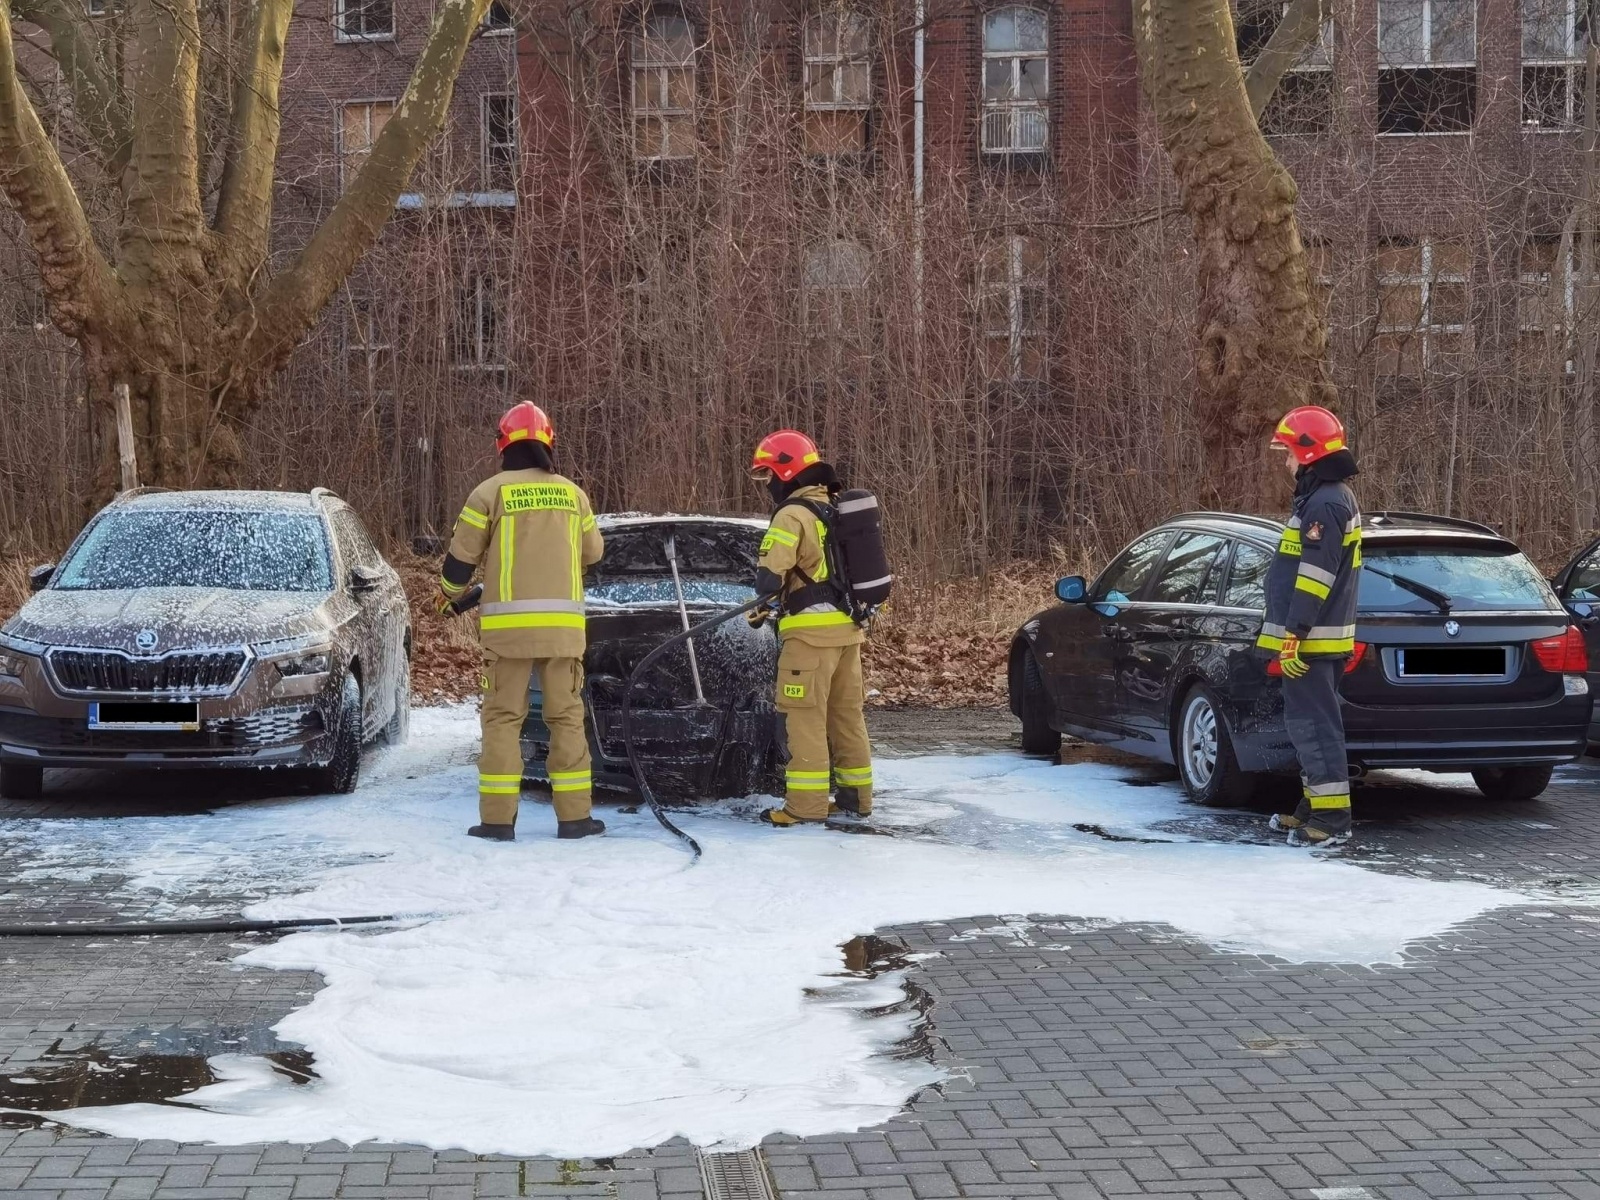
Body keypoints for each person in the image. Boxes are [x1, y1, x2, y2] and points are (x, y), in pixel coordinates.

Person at [436, 402, 605, 842]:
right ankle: (575, 820)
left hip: (507, 634)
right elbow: (594, 554)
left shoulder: (489, 493)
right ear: (548, 443)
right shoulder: (574, 494)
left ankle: (496, 822)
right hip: (563, 634)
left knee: (502, 721)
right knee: (566, 720)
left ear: (503, 445)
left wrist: (453, 597)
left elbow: (459, 563)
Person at [747, 430, 874, 826]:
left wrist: (765, 600)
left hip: (809, 639)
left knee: (803, 719)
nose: (768, 483)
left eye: (769, 474)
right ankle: (857, 800)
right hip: (848, 633)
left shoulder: (792, 514)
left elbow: (770, 576)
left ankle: (804, 807)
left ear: (786, 472)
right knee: (847, 718)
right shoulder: (834, 510)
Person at [1257, 405, 1363, 847]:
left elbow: (1315, 578)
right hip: (1309, 641)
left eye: (1288, 452)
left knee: (1316, 729)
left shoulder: (1325, 503)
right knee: (1307, 728)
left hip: (1309, 643)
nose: (1285, 461)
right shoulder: (1323, 498)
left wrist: (1294, 636)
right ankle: (1311, 810)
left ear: (1309, 451)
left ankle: (1332, 822)